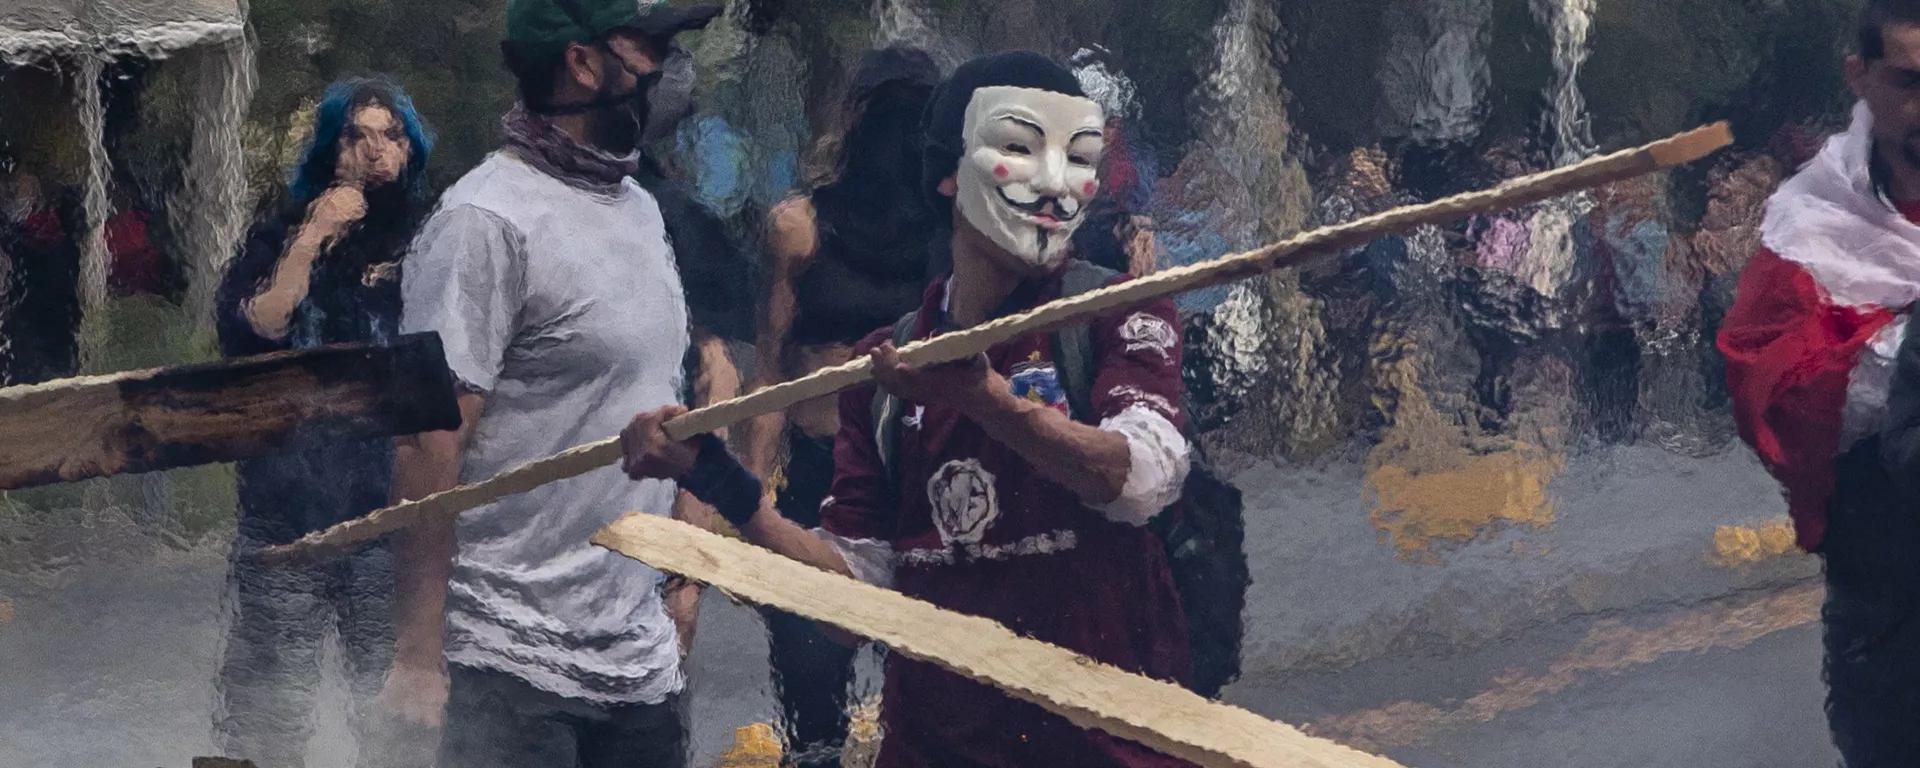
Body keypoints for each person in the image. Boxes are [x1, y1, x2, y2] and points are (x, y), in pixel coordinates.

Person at [624, 50, 1198, 766]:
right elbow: (856, 599)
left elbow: (1141, 478)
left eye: (1078, 156)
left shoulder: (1118, 314)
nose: (1056, 185)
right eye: (1020, 147)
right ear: (948, 173)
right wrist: (731, 487)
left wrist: (991, 404)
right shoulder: (887, 371)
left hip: (1108, 750)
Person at [378, 1, 720, 766]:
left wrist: (681, 583)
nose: (668, 73)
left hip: (638, 669)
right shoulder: (483, 221)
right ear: (582, 63)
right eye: (652, 48)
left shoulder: (637, 210)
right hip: (506, 666)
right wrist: (418, 657)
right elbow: (429, 439)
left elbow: (661, 404)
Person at [210, 76, 435, 768]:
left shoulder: (433, 237)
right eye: (356, 135)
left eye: (391, 136)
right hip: (286, 517)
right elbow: (254, 330)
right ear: (329, 148)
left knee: (392, 720)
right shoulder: (281, 233)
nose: (375, 151)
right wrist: (311, 239)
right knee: (266, 719)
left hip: (388, 517)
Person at [1719, 2, 1920, 763]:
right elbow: (1771, 393)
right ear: (1860, 78)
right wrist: (1903, 346)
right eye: (1909, 82)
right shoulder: (1811, 224)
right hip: (1894, 606)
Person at [738, 44, 940, 767]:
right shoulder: (800, 226)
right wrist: (752, 490)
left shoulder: (953, 235)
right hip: (820, 471)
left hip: (920, 471)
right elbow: (769, 366)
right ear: (854, 119)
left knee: (926, 679)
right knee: (810, 677)